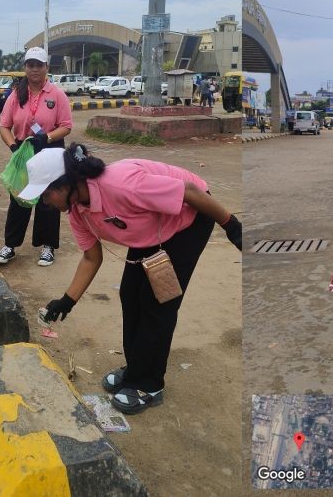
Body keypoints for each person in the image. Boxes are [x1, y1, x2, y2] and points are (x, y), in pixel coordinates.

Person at [29, 142, 243, 414]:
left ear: (65, 184)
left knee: (157, 301)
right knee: (130, 294)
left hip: (190, 216)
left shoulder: (121, 186)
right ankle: (136, 369)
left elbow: (190, 192)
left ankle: (149, 384)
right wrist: (67, 301)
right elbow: (91, 258)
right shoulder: (78, 211)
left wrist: (231, 226)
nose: (46, 203)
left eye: (46, 195)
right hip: (151, 225)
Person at [0, 49, 73, 268]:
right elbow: (4, 126)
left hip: (49, 150)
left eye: (39, 65)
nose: (35, 69)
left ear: (46, 67)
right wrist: (13, 147)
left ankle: (48, 246)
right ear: (25, 68)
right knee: (19, 198)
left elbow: (66, 126)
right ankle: (10, 245)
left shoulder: (56, 95)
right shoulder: (16, 95)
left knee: (49, 200)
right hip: (23, 151)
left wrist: (47, 137)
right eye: (30, 65)